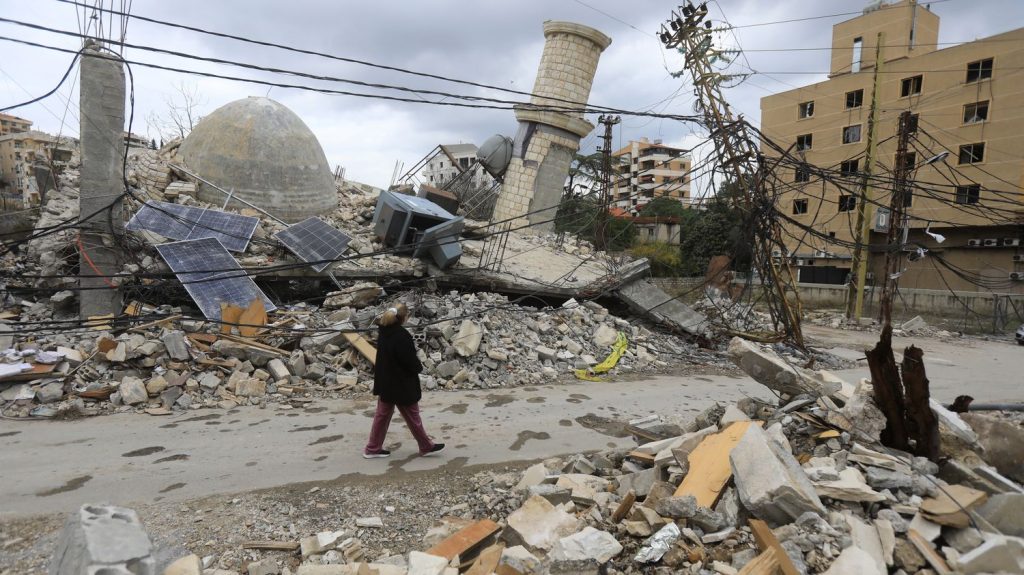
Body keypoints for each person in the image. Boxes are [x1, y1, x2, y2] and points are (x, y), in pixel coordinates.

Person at [363, 303, 445, 459]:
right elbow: (409, 361)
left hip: (387, 382)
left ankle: (372, 448)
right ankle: (426, 446)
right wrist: (418, 367)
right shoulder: (401, 336)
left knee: (382, 416)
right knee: (413, 416)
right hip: (401, 384)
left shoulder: (384, 332)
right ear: (403, 318)